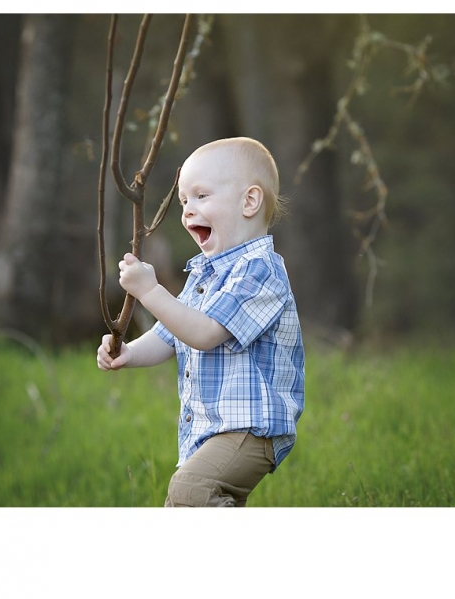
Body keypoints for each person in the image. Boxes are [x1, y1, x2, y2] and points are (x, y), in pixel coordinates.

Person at [97, 137, 305, 507]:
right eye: (183, 201)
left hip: (252, 427)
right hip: (211, 428)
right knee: (184, 504)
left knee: (190, 490)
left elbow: (205, 332)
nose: (188, 211)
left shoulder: (260, 272)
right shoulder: (205, 272)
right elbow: (171, 333)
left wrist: (150, 291)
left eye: (201, 196)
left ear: (249, 202)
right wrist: (130, 352)